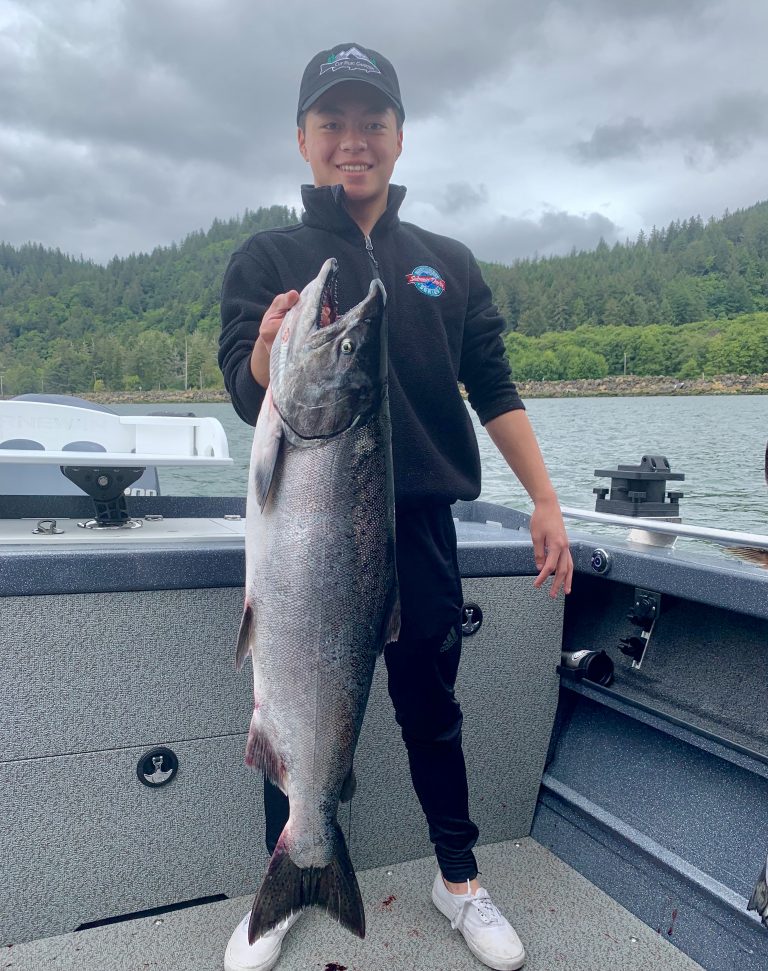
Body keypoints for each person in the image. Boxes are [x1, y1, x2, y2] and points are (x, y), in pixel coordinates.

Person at [218, 42, 573, 971]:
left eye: (372, 122)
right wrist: (268, 348)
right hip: (301, 534)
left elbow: (493, 385)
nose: (352, 141)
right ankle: (290, 873)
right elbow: (249, 391)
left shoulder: (445, 264)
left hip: (416, 530)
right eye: (332, 123)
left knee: (432, 707)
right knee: (286, 696)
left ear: (401, 136)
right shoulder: (268, 256)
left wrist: (546, 501)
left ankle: (457, 878)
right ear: (301, 137)